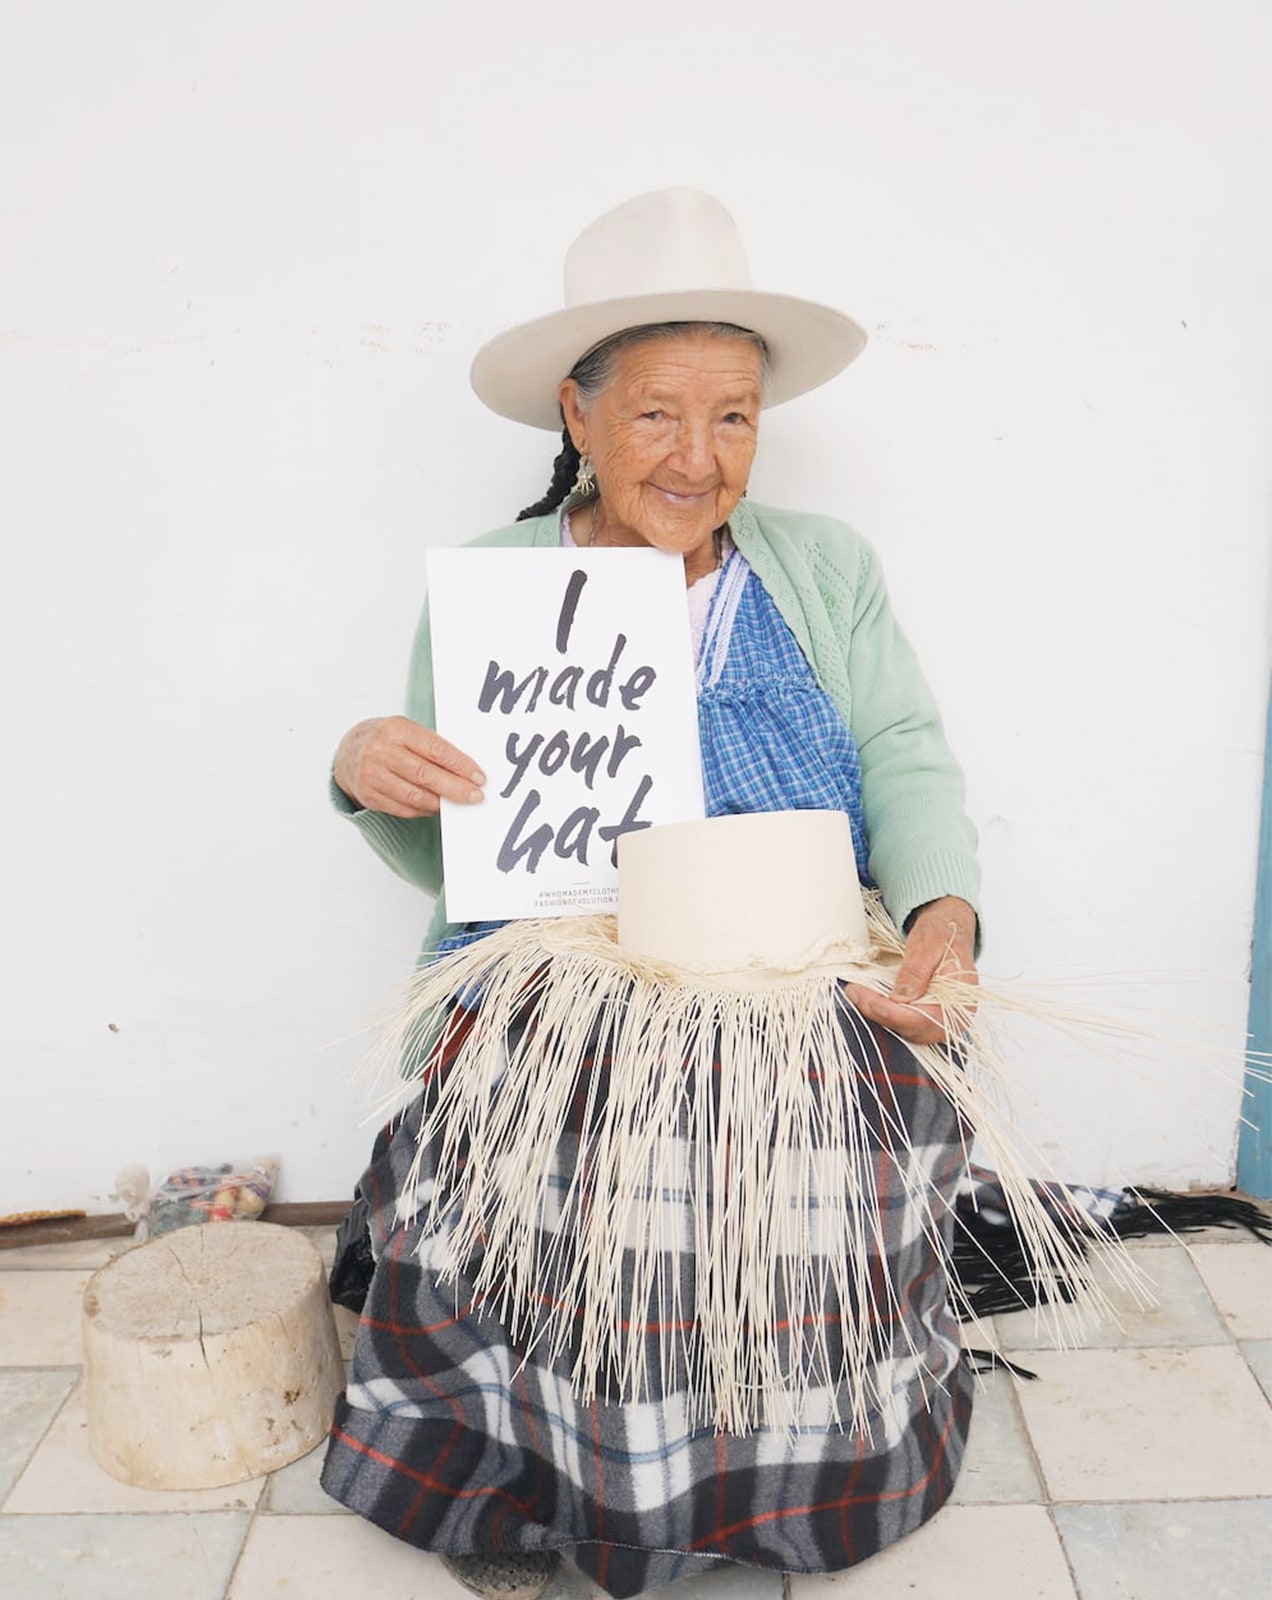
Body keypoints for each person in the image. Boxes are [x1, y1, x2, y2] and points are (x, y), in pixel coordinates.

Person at [322, 187, 982, 1600]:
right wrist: (367, 767)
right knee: (578, 1173)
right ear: (576, 415)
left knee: (824, 1165)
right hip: (554, 972)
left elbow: (907, 756)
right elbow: (454, 838)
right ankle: (569, 1487)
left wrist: (943, 920)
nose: (699, 457)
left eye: (734, 415)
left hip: (800, 965)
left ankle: (790, 1490)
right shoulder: (499, 587)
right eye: (657, 416)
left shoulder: (825, 570)